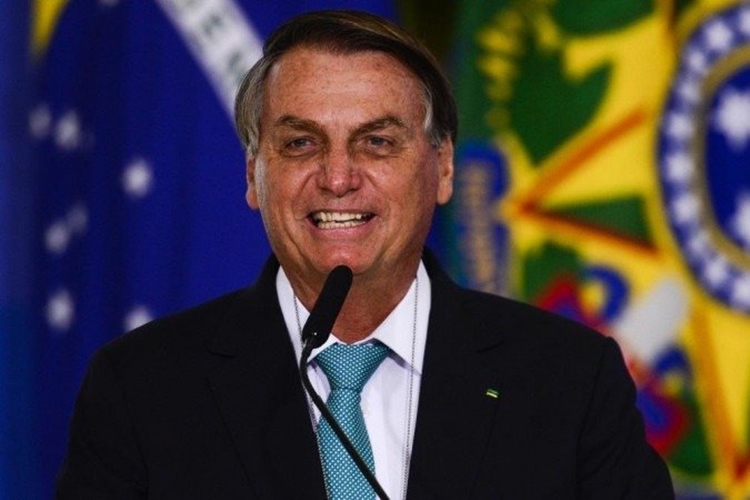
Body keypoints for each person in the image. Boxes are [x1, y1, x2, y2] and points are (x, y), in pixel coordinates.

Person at [57, 9, 674, 500]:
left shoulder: (571, 381)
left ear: (443, 168)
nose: (337, 178)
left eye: (376, 142)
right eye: (300, 144)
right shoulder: (142, 390)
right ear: (252, 174)